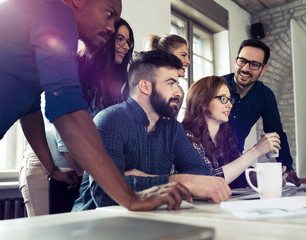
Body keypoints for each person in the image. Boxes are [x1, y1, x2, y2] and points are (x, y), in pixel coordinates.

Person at [0, 0, 191, 211]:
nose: (111, 27)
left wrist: (52, 169)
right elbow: (68, 115)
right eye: (109, 13)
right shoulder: (55, 11)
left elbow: (29, 109)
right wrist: (130, 197)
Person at [73, 51, 231, 210]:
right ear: (145, 86)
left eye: (177, 83)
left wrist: (148, 179)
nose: (178, 92)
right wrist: (176, 182)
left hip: (147, 219)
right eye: (170, 83)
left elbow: (203, 176)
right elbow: (104, 195)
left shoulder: (173, 128)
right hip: (95, 223)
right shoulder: (110, 120)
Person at [19, 18, 134, 216]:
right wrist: (88, 176)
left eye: (129, 41)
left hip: (78, 171)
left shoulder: (115, 87)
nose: (126, 45)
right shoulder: (77, 70)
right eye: (120, 38)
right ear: (106, 39)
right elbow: (64, 130)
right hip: (45, 165)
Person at [222, 39, 306, 186]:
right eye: (242, 61)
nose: (246, 68)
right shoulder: (216, 86)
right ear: (236, 61)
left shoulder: (265, 96)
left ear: (263, 69)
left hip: (237, 162)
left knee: (266, 182)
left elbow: (276, 134)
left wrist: (287, 169)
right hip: (208, 161)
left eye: (254, 64)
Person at [183, 76, 286, 188]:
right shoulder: (187, 137)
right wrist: (256, 151)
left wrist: (267, 178)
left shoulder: (225, 136)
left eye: (229, 99)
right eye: (223, 99)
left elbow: (240, 173)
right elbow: (209, 181)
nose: (230, 105)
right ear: (202, 102)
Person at [145, 34, 190, 110]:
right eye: (183, 55)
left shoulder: (179, 91)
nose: (188, 61)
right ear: (167, 55)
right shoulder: (147, 84)